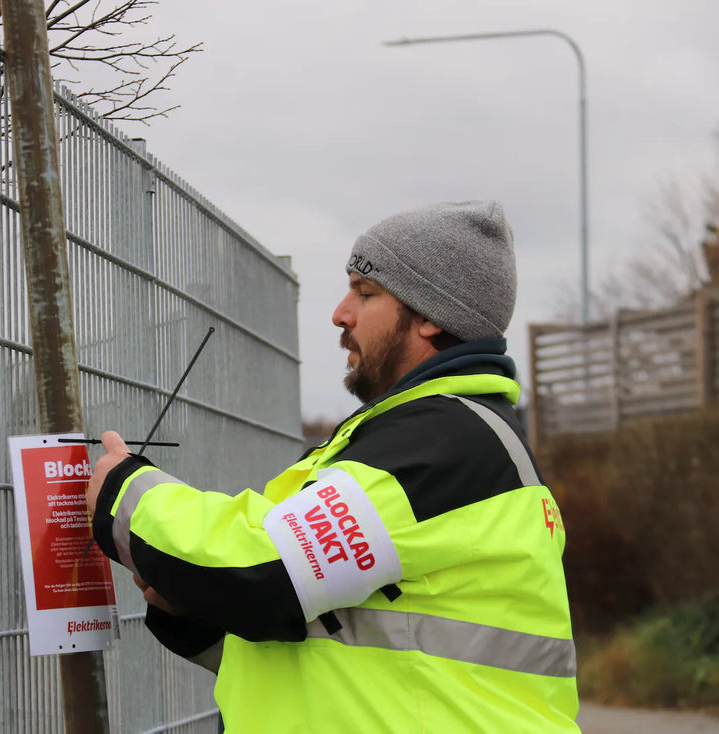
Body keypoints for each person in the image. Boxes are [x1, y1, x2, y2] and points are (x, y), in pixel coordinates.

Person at [85, 201, 580, 733]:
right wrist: (195, 612)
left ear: (432, 315)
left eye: (366, 293)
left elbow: (264, 571)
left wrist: (122, 491)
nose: (340, 312)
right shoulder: (433, 441)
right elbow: (333, 641)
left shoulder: (441, 448)